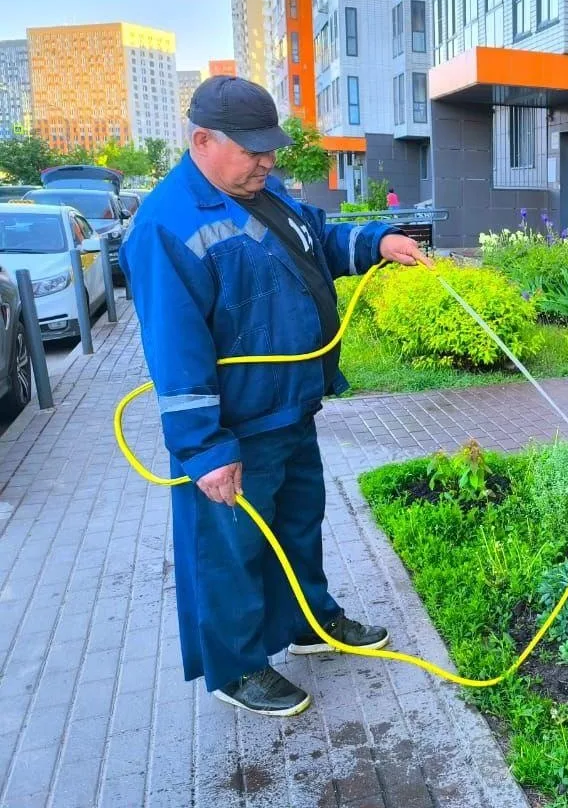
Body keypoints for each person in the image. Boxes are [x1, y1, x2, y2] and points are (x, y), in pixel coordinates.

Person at [120, 75, 431, 717]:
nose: (268, 160)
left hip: (292, 406)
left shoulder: (268, 192)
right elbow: (176, 353)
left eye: (271, 148)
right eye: (252, 148)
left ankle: (309, 624)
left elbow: (315, 240)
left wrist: (377, 242)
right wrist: (205, 451)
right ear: (203, 140)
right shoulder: (166, 226)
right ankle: (237, 668)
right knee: (230, 549)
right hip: (236, 428)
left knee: (298, 524)